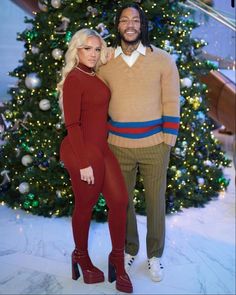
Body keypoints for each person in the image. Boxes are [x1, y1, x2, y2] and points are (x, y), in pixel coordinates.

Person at [98, 3, 180, 282]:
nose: (130, 24)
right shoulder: (105, 62)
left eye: (135, 20)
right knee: (122, 203)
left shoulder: (163, 59)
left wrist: (168, 139)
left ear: (142, 25)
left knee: (156, 202)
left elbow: (171, 99)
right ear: (118, 26)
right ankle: (129, 249)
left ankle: (155, 256)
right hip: (118, 145)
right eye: (124, 20)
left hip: (155, 145)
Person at [57, 28, 133, 293]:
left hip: (102, 148)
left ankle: (117, 258)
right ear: (76, 50)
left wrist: (108, 54)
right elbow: (73, 124)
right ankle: (80, 255)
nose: (93, 54)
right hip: (81, 151)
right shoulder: (74, 79)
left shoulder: (94, 74)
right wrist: (83, 163)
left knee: (120, 201)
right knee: (85, 206)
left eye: (97, 49)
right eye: (87, 48)